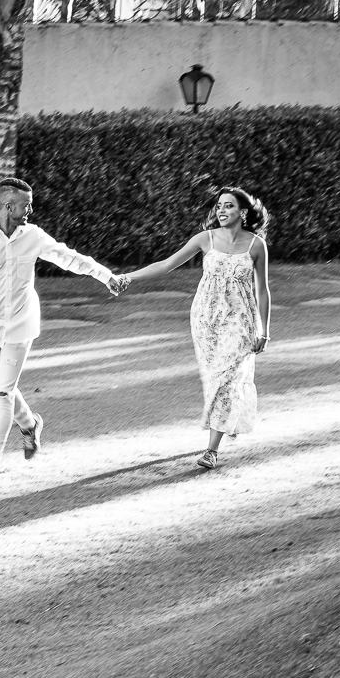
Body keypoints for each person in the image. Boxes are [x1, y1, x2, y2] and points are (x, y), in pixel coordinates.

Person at [0, 177, 123, 487]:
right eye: (26, 205)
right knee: (2, 388)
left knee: (2, 393)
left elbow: (68, 257)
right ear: (8, 205)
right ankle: (30, 425)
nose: (31, 209)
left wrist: (105, 276)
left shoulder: (33, 236)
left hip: (21, 324)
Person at [113, 186, 272, 469]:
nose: (221, 211)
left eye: (229, 206)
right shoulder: (205, 239)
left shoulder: (256, 245)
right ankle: (227, 421)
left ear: (243, 212)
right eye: (219, 206)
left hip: (240, 320)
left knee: (227, 377)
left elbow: (262, 290)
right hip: (206, 319)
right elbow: (165, 265)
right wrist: (127, 277)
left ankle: (211, 450)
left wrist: (264, 330)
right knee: (216, 379)